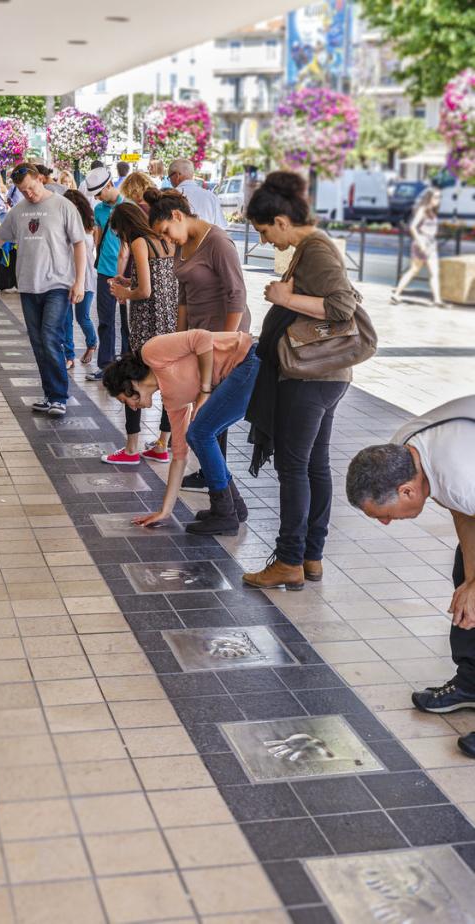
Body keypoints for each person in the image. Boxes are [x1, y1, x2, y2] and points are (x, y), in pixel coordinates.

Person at [240, 171, 359, 591]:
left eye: (264, 231)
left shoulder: (316, 249)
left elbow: (343, 306)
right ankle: (311, 557)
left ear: (282, 221)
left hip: (310, 376)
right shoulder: (312, 246)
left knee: (294, 468)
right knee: (312, 466)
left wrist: (284, 299)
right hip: (324, 376)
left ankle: (290, 560)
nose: (265, 240)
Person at [345, 395, 475, 758]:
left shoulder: (460, 475)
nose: (386, 523)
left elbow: (462, 495)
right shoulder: (406, 449)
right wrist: (471, 579)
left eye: (383, 514)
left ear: (407, 490)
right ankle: (472, 682)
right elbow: (464, 511)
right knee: (465, 572)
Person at [103, 329, 259, 535]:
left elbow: (202, 337)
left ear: (130, 384)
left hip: (248, 358)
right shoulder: (172, 400)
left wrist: (204, 391)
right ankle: (233, 507)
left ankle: (224, 513)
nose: (132, 408)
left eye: (126, 400)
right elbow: (179, 456)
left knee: (200, 433)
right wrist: (164, 511)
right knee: (199, 435)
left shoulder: (151, 352)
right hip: (241, 371)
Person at [0, 162, 86, 418]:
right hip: (29, 287)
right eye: (23, 190)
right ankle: (50, 394)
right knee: (39, 342)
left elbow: (79, 244)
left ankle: (60, 396)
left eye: (31, 187)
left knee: (51, 338)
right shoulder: (18, 211)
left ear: (40, 179)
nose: (29, 194)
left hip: (57, 285)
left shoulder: (63, 206)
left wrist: (79, 281)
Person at [147, 188, 250, 497]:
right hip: (198, 335)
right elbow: (184, 297)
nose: (167, 239)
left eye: (166, 231)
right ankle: (210, 472)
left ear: (178, 216)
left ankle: (218, 480)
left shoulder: (217, 242)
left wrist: (226, 340)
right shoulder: (183, 245)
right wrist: (179, 340)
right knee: (204, 411)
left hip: (223, 340)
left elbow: (237, 295)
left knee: (212, 413)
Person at [101, 201, 178, 465]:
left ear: (125, 227)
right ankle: (162, 444)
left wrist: (125, 292)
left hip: (147, 322)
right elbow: (160, 280)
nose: (121, 238)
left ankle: (131, 448)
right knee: (168, 384)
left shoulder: (139, 243)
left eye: (120, 233)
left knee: (131, 378)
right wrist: (128, 281)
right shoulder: (167, 241)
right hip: (170, 322)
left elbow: (145, 291)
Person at [83, 165, 129, 382]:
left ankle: (129, 365)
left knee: (128, 322)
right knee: (106, 320)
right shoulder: (100, 210)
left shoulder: (128, 207)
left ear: (110, 185)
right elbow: (98, 237)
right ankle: (107, 365)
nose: (98, 197)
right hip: (104, 271)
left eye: (100, 193)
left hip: (127, 272)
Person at [63, 189, 98, 368]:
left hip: (88, 276)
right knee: (66, 319)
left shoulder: (91, 226)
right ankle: (68, 355)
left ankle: (92, 343)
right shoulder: (61, 225)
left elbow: (96, 250)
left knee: (82, 317)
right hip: (66, 275)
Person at [391, 188, 444, 308]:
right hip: (421, 244)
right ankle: (396, 294)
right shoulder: (423, 210)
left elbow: (431, 228)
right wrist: (420, 242)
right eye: (436, 197)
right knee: (414, 270)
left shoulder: (433, 211)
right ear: (429, 197)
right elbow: (413, 227)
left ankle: (437, 300)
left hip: (431, 244)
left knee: (434, 272)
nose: (438, 199)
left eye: (439, 197)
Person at [167, 158, 226, 228]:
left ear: (177, 175)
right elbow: (221, 228)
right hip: (207, 238)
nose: (169, 181)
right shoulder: (211, 197)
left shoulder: (170, 196)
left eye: (169, 177)